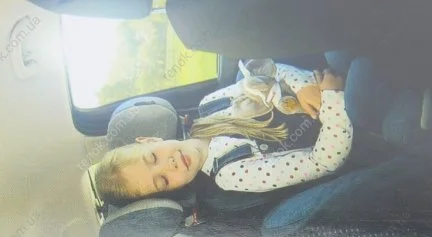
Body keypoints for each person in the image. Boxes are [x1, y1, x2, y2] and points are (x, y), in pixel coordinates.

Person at [90, 61, 353, 207]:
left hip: (319, 77)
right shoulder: (231, 173)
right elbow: (322, 162)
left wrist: (304, 86)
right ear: (173, 190)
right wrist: (333, 98)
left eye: (152, 157)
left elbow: (267, 72)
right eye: (163, 180)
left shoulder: (209, 105)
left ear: (150, 140)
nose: (169, 165)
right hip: (346, 119)